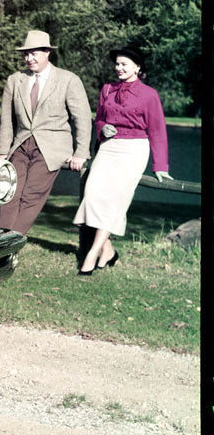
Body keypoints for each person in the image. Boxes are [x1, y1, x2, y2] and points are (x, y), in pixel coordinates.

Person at [73, 46, 171, 275]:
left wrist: (160, 166)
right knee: (93, 194)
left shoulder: (150, 95)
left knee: (116, 201)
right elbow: (98, 118)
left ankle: (91, 255)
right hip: (109, 148)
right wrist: (102, 129)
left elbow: (157, 131)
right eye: (117, 64)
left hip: (134, 150)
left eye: (124, 64)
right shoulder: (107, 89)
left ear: (138, 67)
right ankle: (108, 251)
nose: (119, 68)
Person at [0, 30, 92, 235]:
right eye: (26, 54)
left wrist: (81, 152)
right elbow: (7, 120)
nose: (28, 58)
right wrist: (3, 152)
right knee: (8, 193)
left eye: (33, 53)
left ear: (47, 52)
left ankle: (11, 241)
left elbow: (82, 118)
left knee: (31, 195)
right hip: (20, 145)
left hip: (51, 148)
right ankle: (0, 240)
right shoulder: (15, 80)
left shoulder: (68, 80)